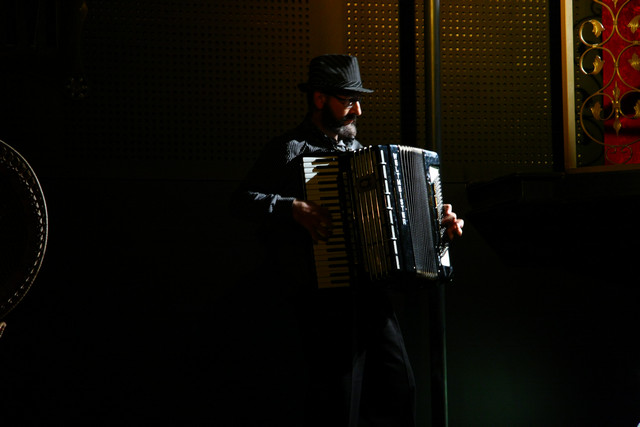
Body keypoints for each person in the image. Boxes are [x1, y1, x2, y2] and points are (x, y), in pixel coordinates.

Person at [229, 54, 463, 427]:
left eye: (358, 99)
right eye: (348, 100)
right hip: (322, 298)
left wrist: (438, 223)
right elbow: (241, 202)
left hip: (370, 292)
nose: (358, 109)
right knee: (339, 404)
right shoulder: (290, 148)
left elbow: (398, 221)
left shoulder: (360, 155)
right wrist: (293, 208)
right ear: (320, 99)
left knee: (399, 389)